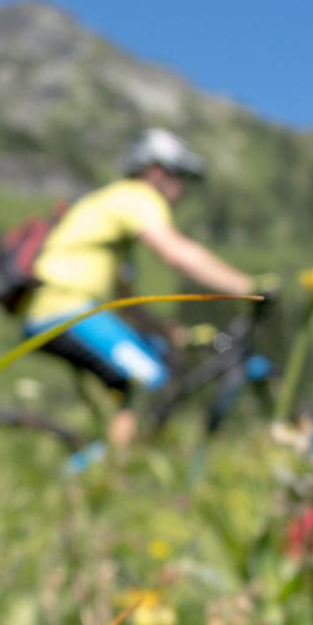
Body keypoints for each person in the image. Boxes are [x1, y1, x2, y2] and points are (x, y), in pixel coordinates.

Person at [21, 128, 256, 452]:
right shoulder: (137, 197)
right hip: (65, 309)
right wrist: (248, 287)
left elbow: (125, 301)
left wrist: (170, 333)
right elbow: (176, 253)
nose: (181, 189)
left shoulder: (112, 214)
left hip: (59, 310)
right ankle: (113, 472)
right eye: (178, 176)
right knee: (150, 379)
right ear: (157, 172)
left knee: (156, 358)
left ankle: (114, 455)